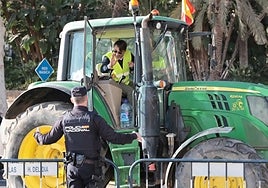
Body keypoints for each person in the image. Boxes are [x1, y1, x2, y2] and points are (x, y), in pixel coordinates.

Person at [34, 86, 142, 188]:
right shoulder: (95, 119)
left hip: (72, 169)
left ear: (72, 100)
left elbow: (47, 139)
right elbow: (114, 138)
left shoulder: (64, 119)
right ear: (86, 98)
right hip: (91, 169)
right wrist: (134, 136)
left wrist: (37, 135)